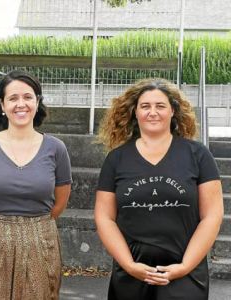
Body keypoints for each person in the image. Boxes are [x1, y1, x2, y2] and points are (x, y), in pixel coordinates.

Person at [95, 78, 224, 300]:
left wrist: (185, 266)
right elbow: (104, 217)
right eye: (145, 106)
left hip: (185, 272)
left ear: (173, 111)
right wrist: (129, 265)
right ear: (135, 112)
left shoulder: (198, 155)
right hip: (132, 273)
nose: (152, 112)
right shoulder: (116, 159)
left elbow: (212, 215)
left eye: (160, 106)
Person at [0, 70, 72, 300]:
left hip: (39, 239)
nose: (21, 104)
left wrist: (31, 227)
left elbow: (60, 203)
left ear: (37, 102)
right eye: (13, 98)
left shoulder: (56, 148)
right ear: (2, 104)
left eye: (28, 97)